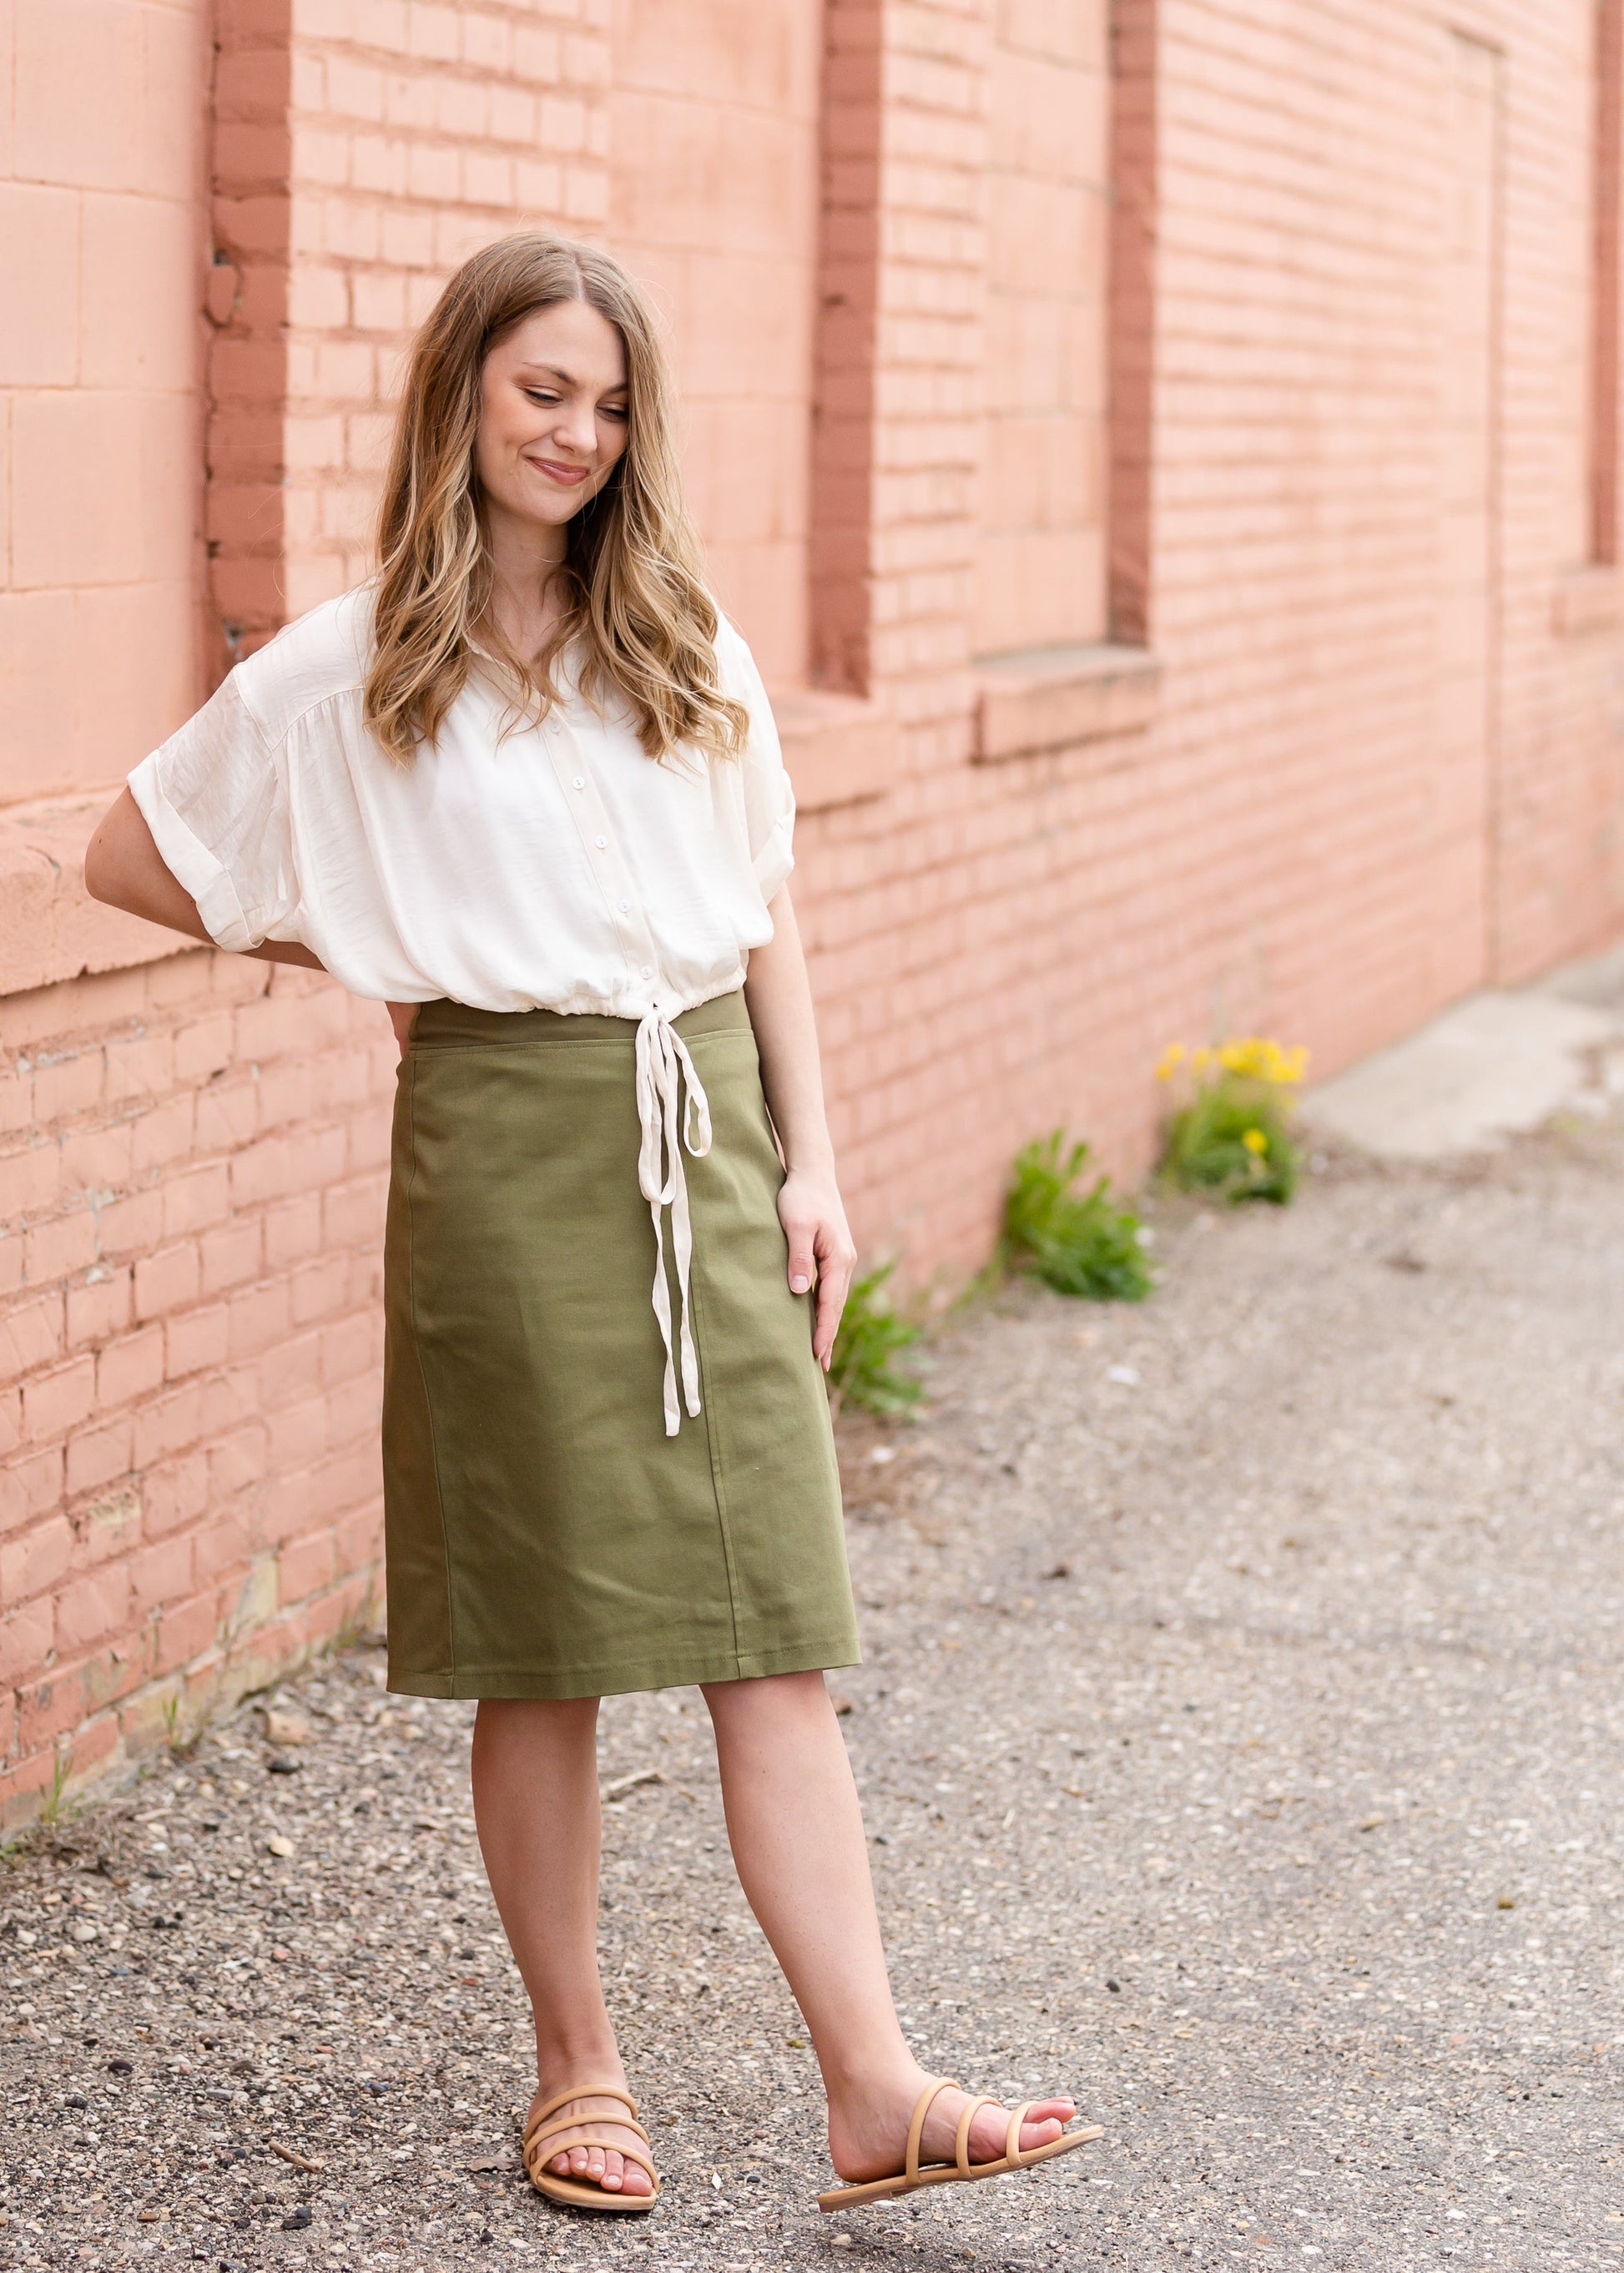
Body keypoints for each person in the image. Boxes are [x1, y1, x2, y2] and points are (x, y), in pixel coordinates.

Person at [85, 233, 1097, 2215]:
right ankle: (577, 2068)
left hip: (708, 1120)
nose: (580, 431)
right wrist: (363, 940)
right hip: (506, 1139)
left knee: (771, 1632)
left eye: (613, 402)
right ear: (464, 389)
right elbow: (134, 852)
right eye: (546, 388)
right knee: (541, 1649)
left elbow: (762, 904)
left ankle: (871, 2082)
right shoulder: (352, 660)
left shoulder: (682, 637)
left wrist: (811, 1159)